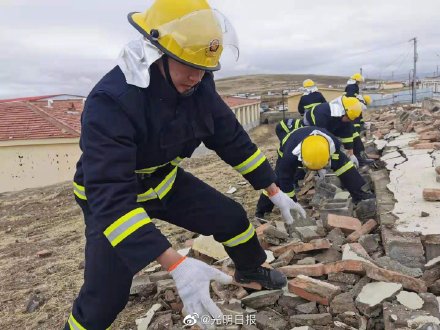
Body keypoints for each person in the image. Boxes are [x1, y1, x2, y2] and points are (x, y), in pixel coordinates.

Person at [65, 1, 306, 329]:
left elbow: (229, 136)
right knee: (105, 296)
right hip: (110, 199)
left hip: (163, 181)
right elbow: (111, 194)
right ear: (156, 52)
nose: (196, 76)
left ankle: (250, 270)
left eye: (204, 67)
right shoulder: (111, 101)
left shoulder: (199, 82)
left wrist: (273, 188)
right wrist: (176, 265)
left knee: (232, 217)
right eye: (186, 64)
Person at [255, 126, 375, 218]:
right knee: (277, 181)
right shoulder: (289, 157)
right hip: (290, 144)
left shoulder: (333, 144)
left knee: (345, 166)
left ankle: (360, 194)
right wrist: (293, 204)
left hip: (318, 143)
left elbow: (344, 167)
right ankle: (262, 211)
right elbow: (286, 181)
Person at [302, 95, 362, 167]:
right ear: (343, 113)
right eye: (349, 118)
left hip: (331, 123)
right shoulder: (322, 114)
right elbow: (322, 137)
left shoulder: (344, 115)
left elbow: (347, 135)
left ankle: (359, 158)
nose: (350, 120)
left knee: (351, 129)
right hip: (310, 125)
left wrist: (351, 154)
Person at [345, 73, 374, 166]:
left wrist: (362, 123)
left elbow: (359, 117)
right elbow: (357, 118)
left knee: (357, 143)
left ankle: (360, 159)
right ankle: (359, 160)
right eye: (359, 82)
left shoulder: (350, 87)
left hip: (352, 122)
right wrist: (359, 126)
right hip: (353, 124)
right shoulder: (353, 88)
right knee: (356, 143)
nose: (359, 84)